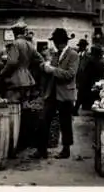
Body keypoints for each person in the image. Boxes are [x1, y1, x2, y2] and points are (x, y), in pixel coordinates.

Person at [32, 28, 80, 159]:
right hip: (52, 93)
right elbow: (48, 70)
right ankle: (41, 150)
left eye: (54, 41)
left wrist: (52, 69)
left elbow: (70, 75)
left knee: (65, 123)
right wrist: (44, 66)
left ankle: (66, 149)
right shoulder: (55, 54)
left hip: (65, 94)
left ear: (59, 42)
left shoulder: (73, 55)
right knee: (44, 120)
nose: (53, 44)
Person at [0, 21, 44, 103]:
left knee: (12, 105)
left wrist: (3, 72)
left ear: (14, 32)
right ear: (24, 32)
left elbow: (12, 62)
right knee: (24, 106)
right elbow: (40, 60)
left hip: (15, 80)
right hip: (28, 79)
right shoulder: (30, 44)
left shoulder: (15, 44)